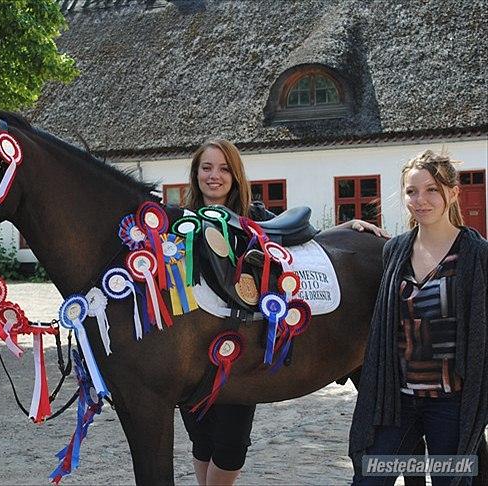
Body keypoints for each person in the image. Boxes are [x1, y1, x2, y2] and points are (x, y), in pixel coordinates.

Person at [181, 139, 388, 486]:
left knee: (230, 442)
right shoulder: (178, 224)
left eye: (223, 168)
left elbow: (297, 240)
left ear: (235, 175)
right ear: (195, 173)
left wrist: (345, 227)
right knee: (200, 439)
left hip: (241, 349)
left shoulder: (254, 218)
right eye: (206, 167)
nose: (214, 176)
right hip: (191, 351)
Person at [349, 150, 488, 485]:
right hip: (396, 402)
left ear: (452, 193)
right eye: (411, 191)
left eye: (431, 190)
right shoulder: (394, 250)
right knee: (370, 477)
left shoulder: (477, 254)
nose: (420, 200)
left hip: (451, 406)